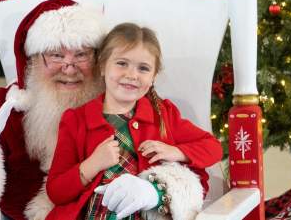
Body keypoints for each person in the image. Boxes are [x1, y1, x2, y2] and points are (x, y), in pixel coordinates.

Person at [0, 0, 108, 220]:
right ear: (32, 60)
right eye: (56, 55)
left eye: (82, 55)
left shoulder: (118, 103)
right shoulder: (3, 107)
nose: (70, 69)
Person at [45, 23, 223, 220]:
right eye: (122, 63)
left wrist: (176, 152)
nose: (131, 75)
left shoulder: (163, 114)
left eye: (143, 68)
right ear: (103, 66)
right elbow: (56, 192)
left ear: (153, 76)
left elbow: (213, 147)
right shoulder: (76, 120)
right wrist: (92, 164)